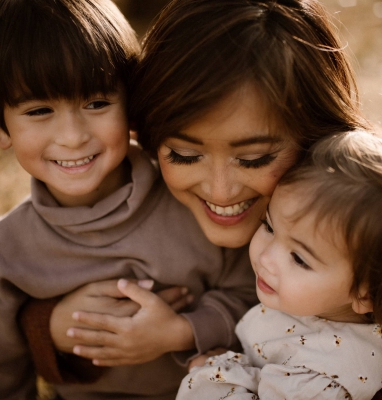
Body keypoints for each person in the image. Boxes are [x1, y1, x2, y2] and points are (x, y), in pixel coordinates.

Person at [16, 0, 380, 398]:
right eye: (185, 156)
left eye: (254, 158)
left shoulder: (373, 231)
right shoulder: (138, 206)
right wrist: (47, 325)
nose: (221, 192)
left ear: (318, 136)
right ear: (146, 136)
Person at [0, 1, 259, 399]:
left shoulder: (196, 204)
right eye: (39, 110)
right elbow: (6, 364)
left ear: (133, 107)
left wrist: (182, 331)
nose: (72, 136)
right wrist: (51, 326)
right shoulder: (10, 249)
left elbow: (258, 303)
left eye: (97, 103)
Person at [176, 130, 382, 400]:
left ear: (369, 292)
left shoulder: (327, 376)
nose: (266, 258)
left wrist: (210, 371)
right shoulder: (315, 304)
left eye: (299, 258)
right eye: (269, 226)